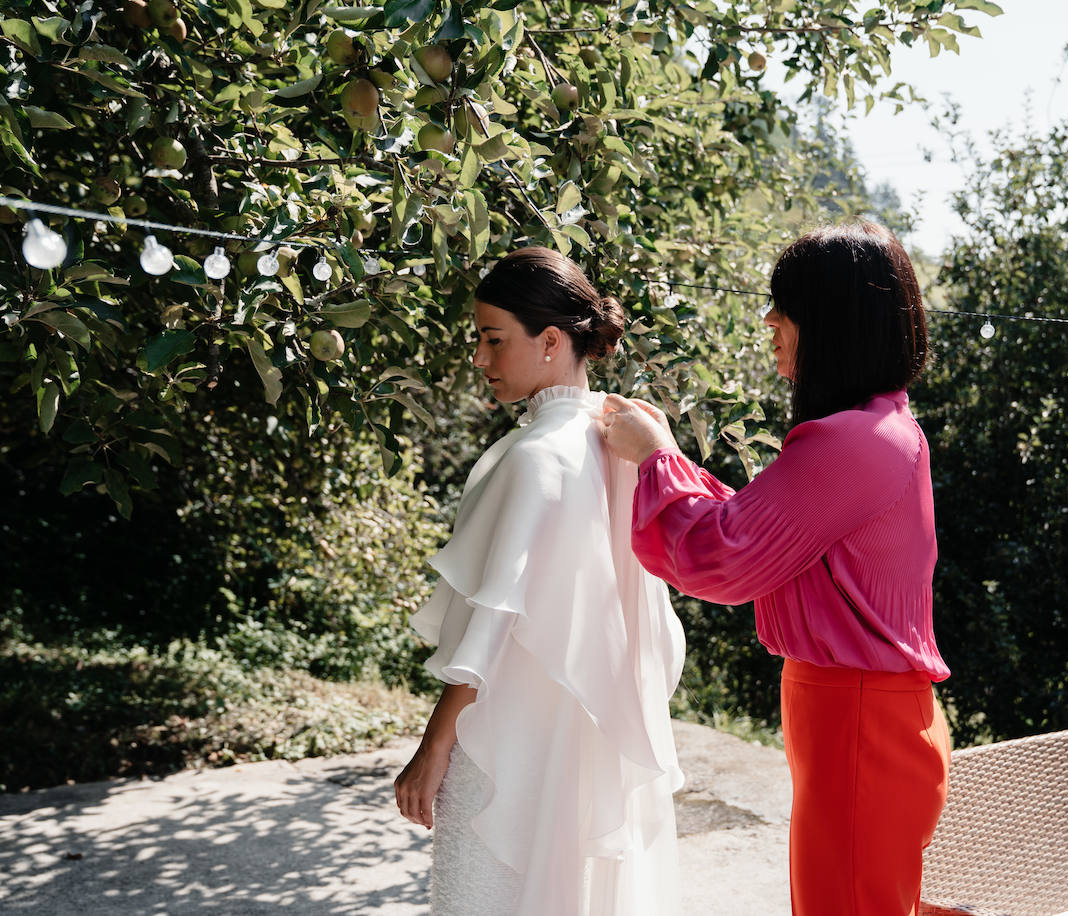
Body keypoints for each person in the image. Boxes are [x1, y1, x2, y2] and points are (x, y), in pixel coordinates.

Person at [597, 220, 951, 916]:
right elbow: (761, 529)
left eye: (784, 305)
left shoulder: (856, 440)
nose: (769, 320)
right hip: (858, 717)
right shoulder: (879, 427)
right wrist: (671, 464)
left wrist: (657, 460)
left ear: (831, 321)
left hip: (856, 721)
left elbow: (722, 556)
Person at [395, 247, 685, 916]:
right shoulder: (616, 440)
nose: (479, 359)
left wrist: (432, 748)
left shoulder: (535, 455)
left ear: (551, 341)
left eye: (493, 339)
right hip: (572, 755)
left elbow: (489, 623)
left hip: (501, 747)